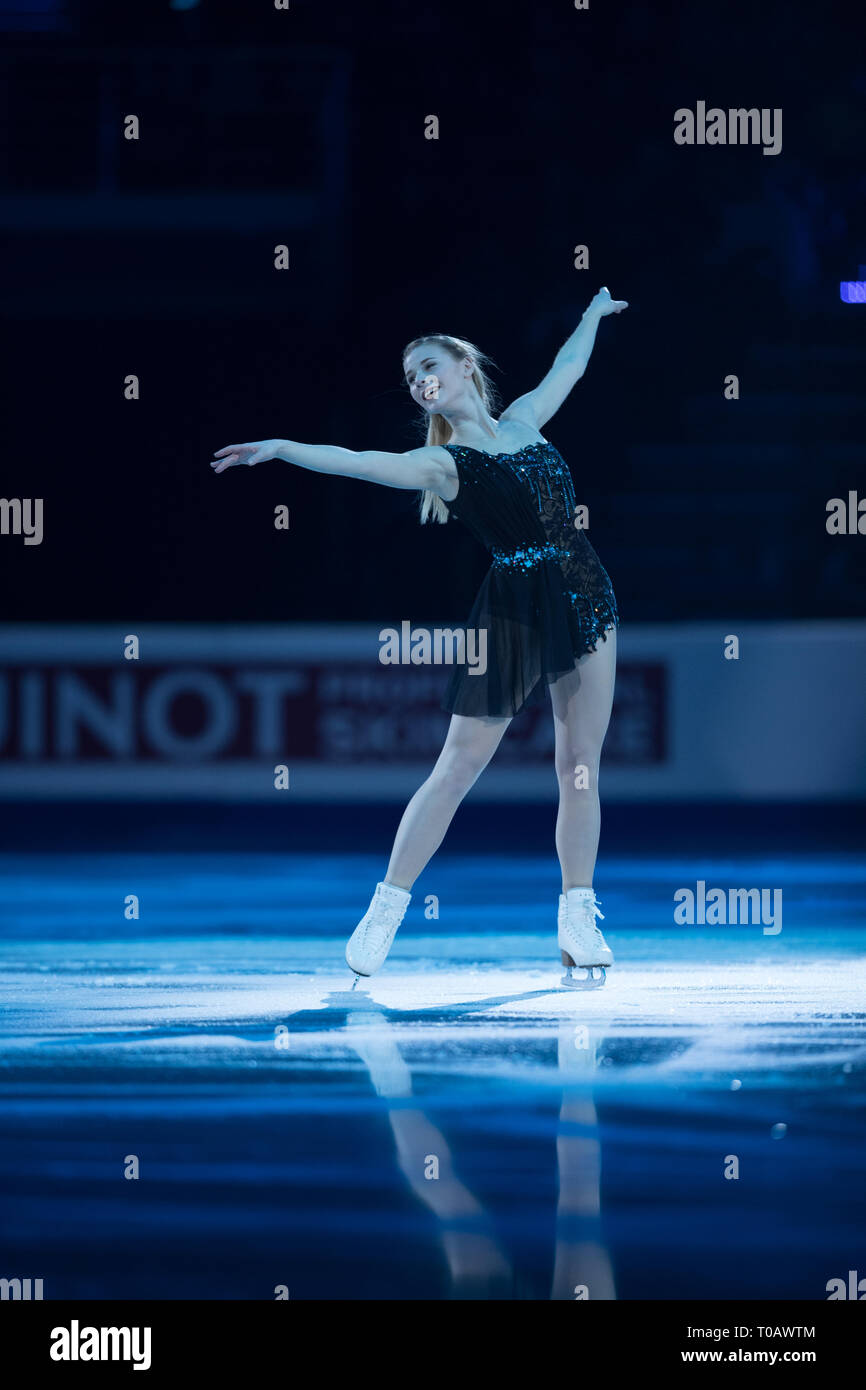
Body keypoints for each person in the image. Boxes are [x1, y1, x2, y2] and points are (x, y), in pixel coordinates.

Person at [211, 286, 628, 986]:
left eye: (429, 365)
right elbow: (359, 459)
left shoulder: (526, 419)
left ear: (464, 366)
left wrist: (590, 315)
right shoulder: (443, 463)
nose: (420, 380)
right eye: (411, 378)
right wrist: (283, 447)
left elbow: (569, 370)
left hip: (586, 594)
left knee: (579, 765)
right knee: (457, 768)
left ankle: (577, 918)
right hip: (516, 612)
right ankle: (384, 912)